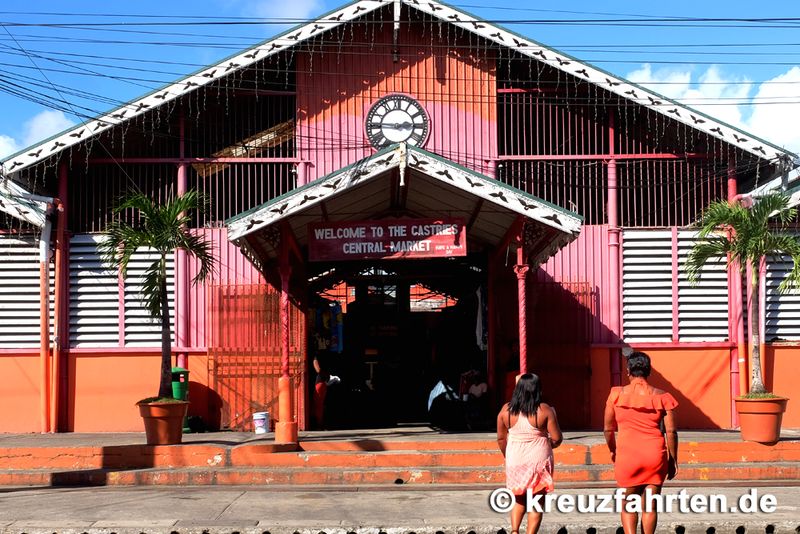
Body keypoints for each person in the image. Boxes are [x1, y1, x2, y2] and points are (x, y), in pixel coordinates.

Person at [604, 351, 679, 534]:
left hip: (628, 454)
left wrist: (613, 450)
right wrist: (673, 460)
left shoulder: (616, 394)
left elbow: (608, 429)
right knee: (650, 505)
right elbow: (671, 432)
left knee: (628, 504)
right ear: (649, 371)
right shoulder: (662, 396)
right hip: (655, 455)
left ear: (628, 370)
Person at [497, 373, 562, 534]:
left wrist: (508, 455)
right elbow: (557, 438)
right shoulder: (544, 410)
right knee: (537, 500)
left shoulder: (505, 410)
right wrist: (547, 444)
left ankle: (514, 531)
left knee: (519, 498)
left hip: (515, 459)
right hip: (538, 461)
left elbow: (501, 438)